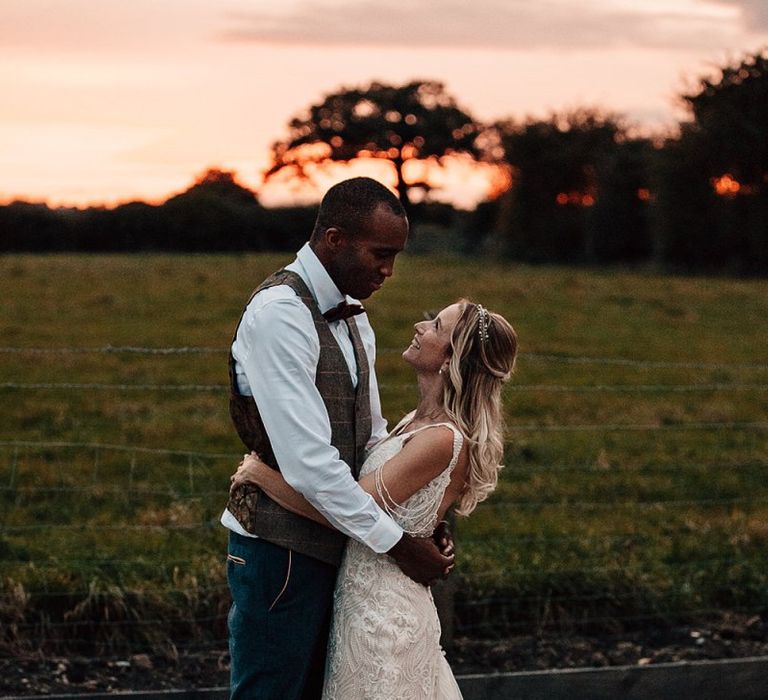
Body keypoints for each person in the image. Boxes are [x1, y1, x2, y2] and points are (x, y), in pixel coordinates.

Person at [221, 176, 454, 699]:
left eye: (395, 257)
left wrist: (419, 519)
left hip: (346, 548)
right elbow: (309, 464)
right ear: (333, 240)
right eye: (381, 254)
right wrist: (400, 545)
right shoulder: (280, 314)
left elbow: (370, 440)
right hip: (280, 551)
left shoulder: (354, 318)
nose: (389, 271)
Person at [232, 299, 518, 699]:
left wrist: (261, 476)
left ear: (454, 359)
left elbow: (349, 513)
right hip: (360, 598)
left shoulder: (441, 438)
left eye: (436, 326)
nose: (420, 326)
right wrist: (429, 526)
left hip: (384, 614)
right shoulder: (415, 422)